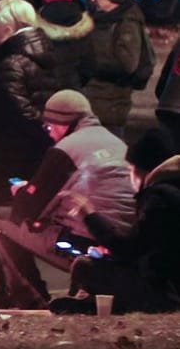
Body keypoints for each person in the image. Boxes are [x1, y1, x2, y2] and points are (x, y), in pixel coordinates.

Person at [0, 90, 136, 310]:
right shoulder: (116, 142)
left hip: (90, 246)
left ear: (63, 123)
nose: (49, 134)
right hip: (125, 244)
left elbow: (28, 210)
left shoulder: (66, 149)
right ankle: (80, 290)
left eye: (49, 127)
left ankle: (31, 300)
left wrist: (21, 192)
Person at [58, 129, 180, 315]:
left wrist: (89, 213)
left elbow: (131, 249)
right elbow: (152, 247)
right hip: (168, 285)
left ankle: (84, 304)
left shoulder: (158, 198)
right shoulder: (172, 190)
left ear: (141, 169)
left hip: (165, 294)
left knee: (84, 265)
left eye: (130, 170)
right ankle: (89, 303)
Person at [0, 0, 56, 223]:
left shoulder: (12, 63)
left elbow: (18, 111)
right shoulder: (45, 54)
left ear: (9, 29)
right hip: (34, 153)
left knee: (1, 216)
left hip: (9, 155)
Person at [81, 0, 151, 137]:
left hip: (110, 108)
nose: (93, 0)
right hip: (92, 103)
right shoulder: (99, 19)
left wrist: (93, 65)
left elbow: (128, 64)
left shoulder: (127, 23)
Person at [34, 0, 93, 92]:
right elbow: (89, 66)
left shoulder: (35, 25)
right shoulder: (83, 26)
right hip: (72, 92)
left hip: (43, 91)